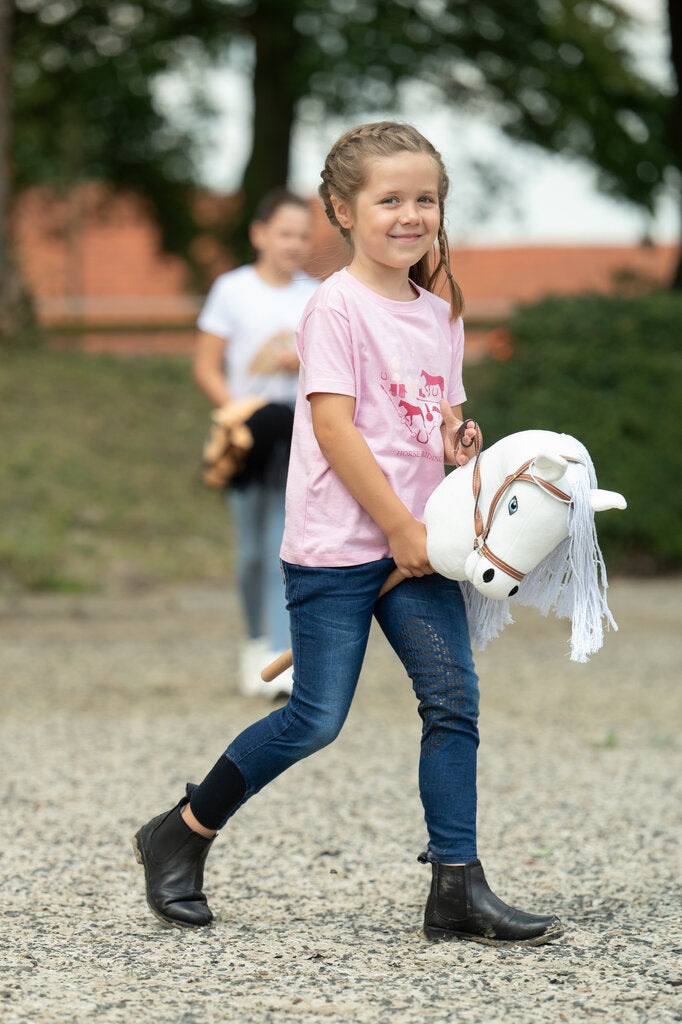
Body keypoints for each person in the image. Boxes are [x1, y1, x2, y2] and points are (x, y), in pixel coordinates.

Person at [134, 122, 563, 946]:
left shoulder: (441, 313)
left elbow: (439, 424)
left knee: (452, 702)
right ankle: (179, 833)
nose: (411, 215)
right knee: (315, 719)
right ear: (342, 209)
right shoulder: (331, 306)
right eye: (389, 199)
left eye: (425, 199)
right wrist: (397, 524)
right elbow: (334, 431)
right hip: (339, 547)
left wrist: (457, 449)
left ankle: (456, 889)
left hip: (419, 552)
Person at [194, 189, 319, 699]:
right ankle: (252, 642)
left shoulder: (317, 295)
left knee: (281, 546)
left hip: (300, 434)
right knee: (250, 550)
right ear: (259, 234)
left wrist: (302, 361)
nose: (294, 244)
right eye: (285, 233)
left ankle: (276, 655)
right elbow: (206, 365)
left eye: (303, 236)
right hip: (247, 438)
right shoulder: (232, 290)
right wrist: (235, 414)